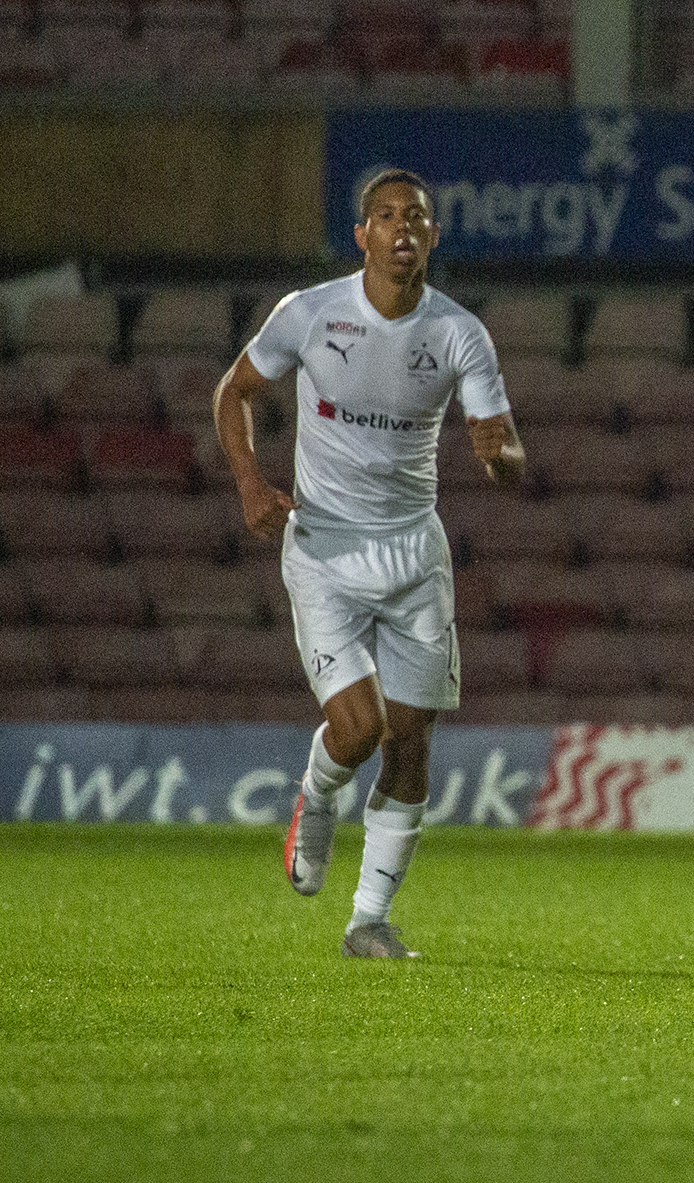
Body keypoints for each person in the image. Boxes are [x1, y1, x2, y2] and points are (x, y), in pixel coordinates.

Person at [213, 168, 525, 958]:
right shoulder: (311, 313)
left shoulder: (459, 334)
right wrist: (250, 478)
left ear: (432, 235)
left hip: (415, 554)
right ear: (362, 235)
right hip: (325, 549)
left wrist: (503, 456)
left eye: (415, 216)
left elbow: (506, 447)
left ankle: (368, 921)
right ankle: (316, 792)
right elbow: (234, 390)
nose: (401, 228)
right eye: (385, 216)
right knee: (359, 729)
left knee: (411, 743)